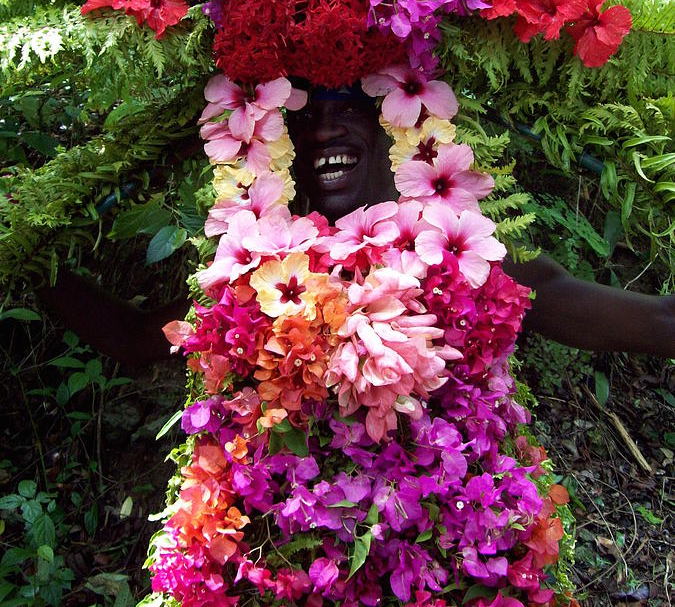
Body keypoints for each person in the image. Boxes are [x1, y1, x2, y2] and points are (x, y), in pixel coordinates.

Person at [38, 85, 675, 364]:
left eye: (348, 108)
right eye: (303, 116)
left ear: (393, 125)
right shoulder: (256, 274)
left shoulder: (460, 256)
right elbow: (131, 337)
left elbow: (651, 320)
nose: (323, 128)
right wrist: (31, 266)